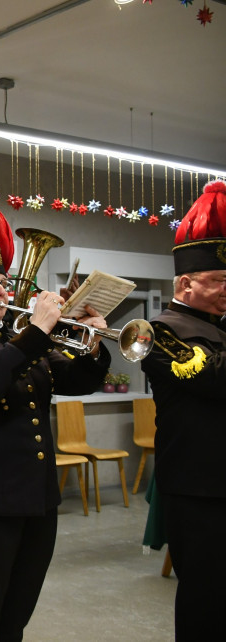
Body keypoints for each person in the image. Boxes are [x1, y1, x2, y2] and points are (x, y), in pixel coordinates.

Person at [0, 197, 110, 641]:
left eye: (4, 283)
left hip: (38, 499)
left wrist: (93, 342)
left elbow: (80, 381)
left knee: (17, 613)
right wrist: (37, 332)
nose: (2, 292)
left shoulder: (24, 343)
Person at [140, 179, 226, 640]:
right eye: (218, 281)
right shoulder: (161, 331)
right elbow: (215, 379)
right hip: (198, 487)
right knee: (205, 598)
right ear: (185, 283)